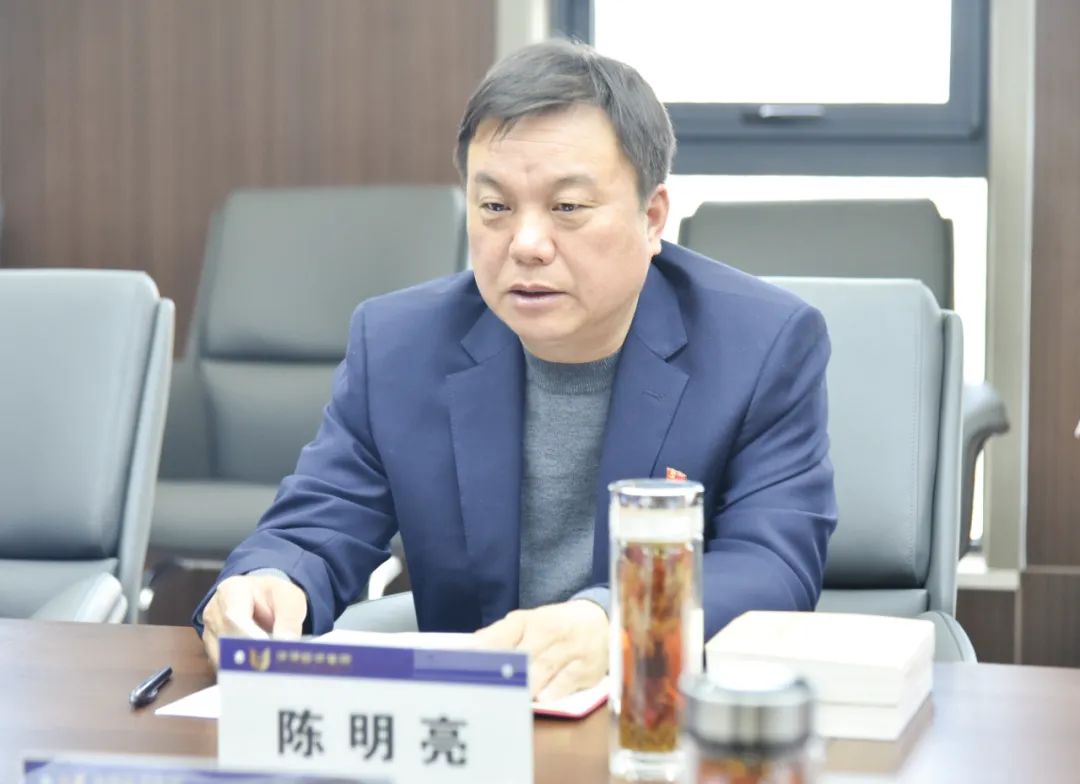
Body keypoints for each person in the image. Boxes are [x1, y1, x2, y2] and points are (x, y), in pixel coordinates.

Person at [195, 39, 837, 702]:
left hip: (658, 717)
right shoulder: (400, 343)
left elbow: (773, 562)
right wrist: (271, 583)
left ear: (651, 219)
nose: (527, 245)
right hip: (472, 718)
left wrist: (612, 620)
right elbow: (319, 522)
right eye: (496, 207)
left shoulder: (762, 344)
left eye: (568, 207)